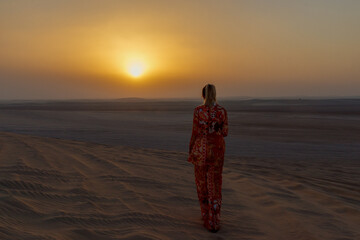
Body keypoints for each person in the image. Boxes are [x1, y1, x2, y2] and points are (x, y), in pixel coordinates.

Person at [188, 84, 228, 232]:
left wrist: (191, 148)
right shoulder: (222, 111)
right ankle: (214, 219)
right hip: (217, 153)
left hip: (200, 152)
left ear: (203, 95)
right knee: (215, 185)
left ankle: (206, 215)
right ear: (215, 94)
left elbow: (195, 132)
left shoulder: (198, 111)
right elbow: (225, 132)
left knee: (202, 184)